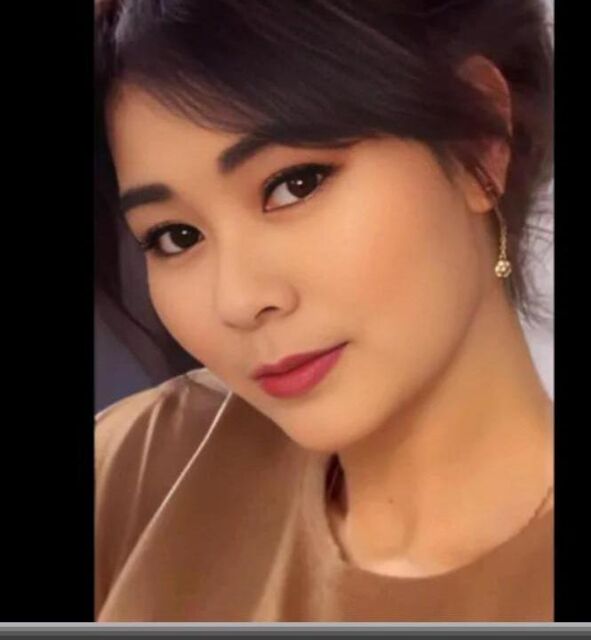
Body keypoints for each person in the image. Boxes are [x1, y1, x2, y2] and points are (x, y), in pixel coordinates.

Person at [94, 0, 554, 622]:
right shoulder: (136, 469)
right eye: (175, 237)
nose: (238, 300)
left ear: (480, 142)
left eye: (294, 185)